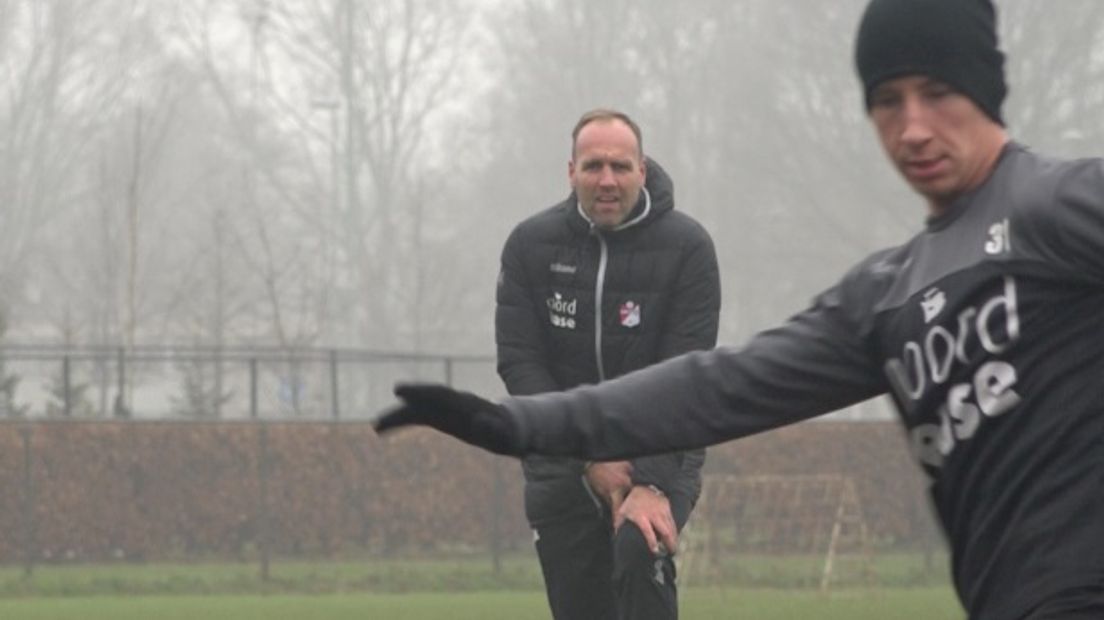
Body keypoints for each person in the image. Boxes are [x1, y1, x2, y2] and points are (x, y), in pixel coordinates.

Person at [376, 0, 1104, 617]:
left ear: (988, 89)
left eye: (939, 91)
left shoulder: (1055, 208)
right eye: (888, 100)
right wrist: (519, 424)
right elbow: (714, 387)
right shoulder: (883, 297)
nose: (913, 126)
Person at [494, 108, 721, 620]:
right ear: (570, 171)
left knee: (639, 551)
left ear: (643, 170)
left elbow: (685, 379)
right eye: (593, 166)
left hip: (661, 457)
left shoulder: (688, 248)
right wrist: (588, 459)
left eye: (620, 166)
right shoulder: (529, 246)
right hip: (561, 464)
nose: (607, 180)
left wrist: (650, 482)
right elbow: (520, 364)